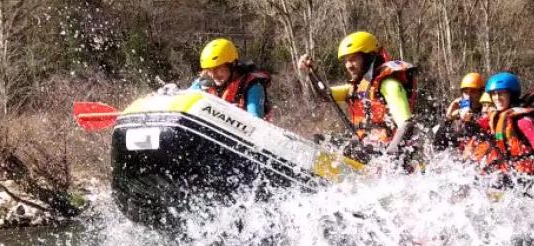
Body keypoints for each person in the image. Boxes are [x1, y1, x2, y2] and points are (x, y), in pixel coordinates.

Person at [297, 31, 418, 165]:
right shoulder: (357, 87)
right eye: (346, 60)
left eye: (353, 58)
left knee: (351, 149)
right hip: (364, 146)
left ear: (369, 57)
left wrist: (390, 158)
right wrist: (312, 73)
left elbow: (406, 124)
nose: (348, 65)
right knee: (320, 140)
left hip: (385, 152)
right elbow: (325, 94)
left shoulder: (389, 85)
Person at [464, 72, 534, 177]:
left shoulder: (523, 120)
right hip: (506, 170)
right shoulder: (495, 117)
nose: (497, 98)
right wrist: (467, 120)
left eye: (501, 93)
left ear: (511, 95)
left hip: (524, 174)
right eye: (494, 94)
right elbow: (475, 132)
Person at [191, 38, 271, 119]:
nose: (213, 75)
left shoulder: (253, 86)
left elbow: (255, 120)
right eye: (209, 70)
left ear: (232, 65)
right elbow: (185, 100)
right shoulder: (204, 81)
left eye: (219, 70)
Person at [438, 73, 484, 150]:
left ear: (481, 93)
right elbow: (438, 144)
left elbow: (480, 135)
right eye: (466, 92)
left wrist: (470, 119)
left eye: (473, 92)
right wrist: (448, 119)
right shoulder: (458, 114)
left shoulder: (486, 111)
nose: (469, 96)